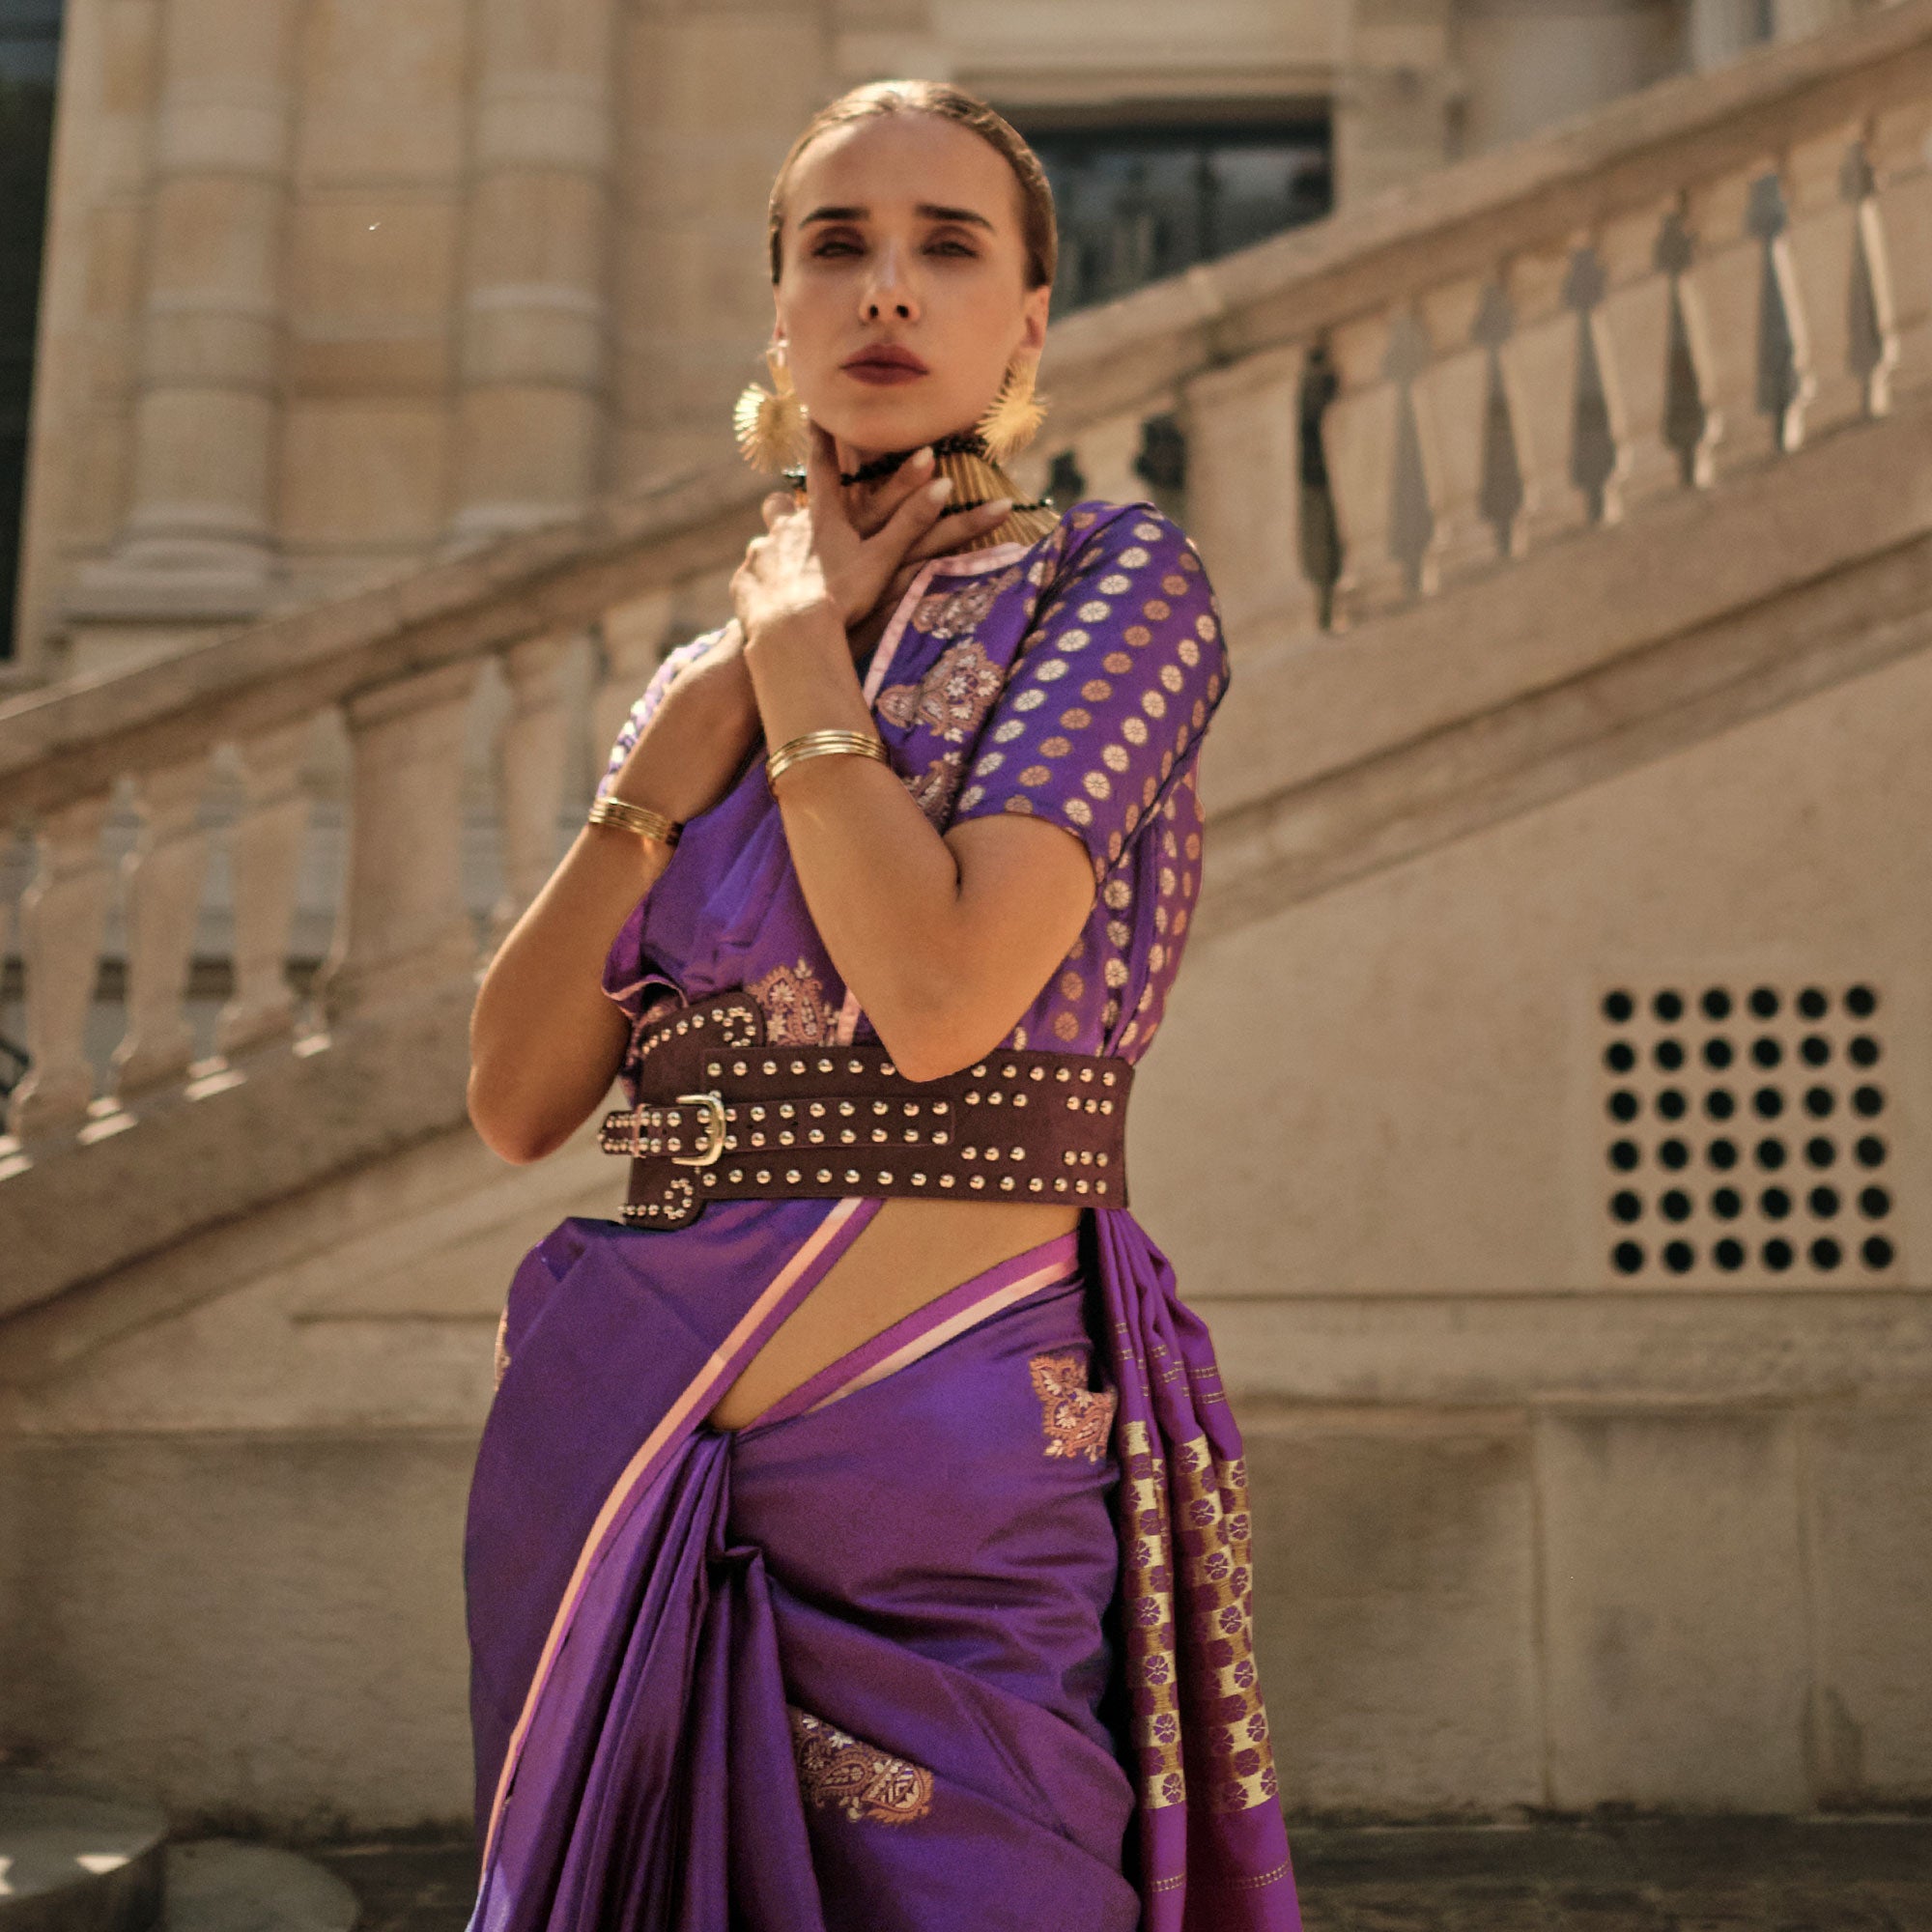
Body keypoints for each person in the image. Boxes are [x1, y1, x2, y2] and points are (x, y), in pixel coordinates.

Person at [462, 77, 1302, 1932]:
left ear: (1029, 323)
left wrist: (790, 661)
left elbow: (936, 999)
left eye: (948, 248)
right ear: (778, 314)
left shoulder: (1113, 587)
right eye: (836, 247)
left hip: (958, 1474)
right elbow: (520, 1097)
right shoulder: (695, 691)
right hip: (626, 1439)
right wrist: (670, 759)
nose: (887, 292)